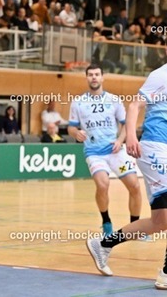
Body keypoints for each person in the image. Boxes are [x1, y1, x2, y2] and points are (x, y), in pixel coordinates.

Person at [86, 33, 167, 291]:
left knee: (161, 221)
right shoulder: (160, 75)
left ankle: (103, 244)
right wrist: (131, 136)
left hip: (162, 149)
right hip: (154, 148)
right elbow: (135, 105)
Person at [68, 64, 142, 236]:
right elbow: (71, 127)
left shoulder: (114, 100)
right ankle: (106, 222)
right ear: (86, 78)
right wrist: (76, 133)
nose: (94, 77)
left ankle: (135, 227)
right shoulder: (78, 102)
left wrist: (120, 140)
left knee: (135, 185)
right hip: (94, 154)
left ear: (102, 77)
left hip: (115, 152)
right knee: (103, 184)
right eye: (90, 74)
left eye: (97, 74)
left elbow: (126, 124)